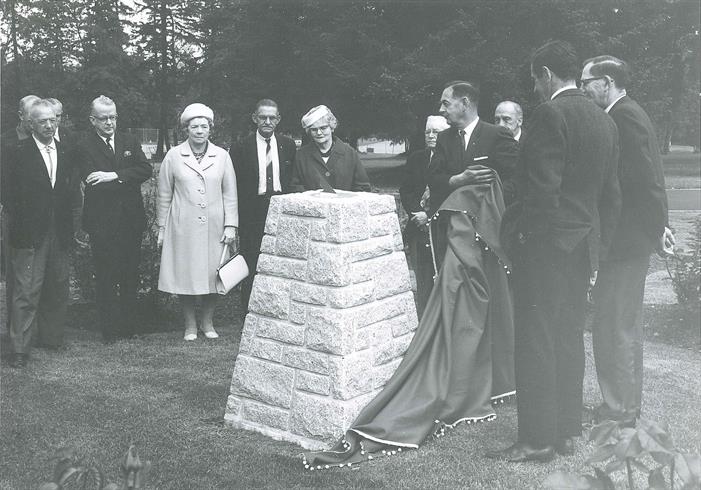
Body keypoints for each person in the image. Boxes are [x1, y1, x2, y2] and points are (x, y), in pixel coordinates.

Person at [489, 40, 621, 463]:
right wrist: (599, 249)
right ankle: (566, 429)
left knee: (535, 338)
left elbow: (542, 192)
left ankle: (537, 439)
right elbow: (611, 197)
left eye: (535, 80)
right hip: (581, 247)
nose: (535, 88)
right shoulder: (604, 120)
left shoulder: (550, 114)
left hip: (546, 247)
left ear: (546, 74)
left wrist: (524, 241)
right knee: (566, 336)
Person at [581, 55, 673, 427]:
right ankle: (623, 408)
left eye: (586, 82)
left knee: (613, 326)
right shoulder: (628, 113)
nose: (583, 89)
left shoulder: (623, 117)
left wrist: (655, 230)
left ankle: (619, 410)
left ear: (605, 81)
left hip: (623, 244)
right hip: (630, 242)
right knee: (623, 326)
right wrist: (658, 228)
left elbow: (646, 181)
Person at [2, 99, 77, 367]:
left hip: (60, 231)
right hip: (29, 233)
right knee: (26, 289)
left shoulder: (65, 151)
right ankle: (19, 349)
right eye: (42, 121)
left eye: (52, 120)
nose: (49, 125)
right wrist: (23, 227)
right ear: (30, 124)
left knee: (57, 284)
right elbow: (8, 195)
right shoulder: (16, 152)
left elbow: (69, 193)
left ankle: (52, 338)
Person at [157, 103, 238, 341]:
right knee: (187, 274)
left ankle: (208, 322)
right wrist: (162, 227)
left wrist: (231, 225)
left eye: (204, 126)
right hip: (183, 226)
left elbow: (230, 194)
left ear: (210, 129)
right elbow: (164, 194)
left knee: (214, 275)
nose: (200, 131)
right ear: (187, 129)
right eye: (195, 127)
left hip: (215, 225)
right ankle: (190, 325)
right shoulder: (174, 155)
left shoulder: (222, 156)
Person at [78, 95, 152, 343]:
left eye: (113, 117)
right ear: (93, 120)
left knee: (130, 274)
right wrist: (125, 179)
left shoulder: (129, 139)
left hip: (130, 220)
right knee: (106, 276)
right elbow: (92, 180)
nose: (109, 122)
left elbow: (145, 170)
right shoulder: (84, 145)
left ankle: (129, 328)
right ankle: (109, 331)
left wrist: (114, 175)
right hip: (102, 222)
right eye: (103, 118)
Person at [230, 99, 296, 313]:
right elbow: (234, 185)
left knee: (280, 261)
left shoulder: (288, 145)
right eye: (262, 117)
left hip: (280, 208)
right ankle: (249, 312)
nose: (267, 121)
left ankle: (278, 311)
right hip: (252, 211)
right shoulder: (241, 147)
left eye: (272, 118)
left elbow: (291, 179)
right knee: (251, 261)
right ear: (255, 118)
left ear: (278, 120)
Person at [428, 81, 518, 221]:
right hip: (453, 226)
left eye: (446, 104)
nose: (440, 110)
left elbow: (516, 179)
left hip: (489, 224)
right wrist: (456, 180)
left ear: (465, 103)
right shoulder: (443, 138)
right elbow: (433, 179)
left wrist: (487, 204)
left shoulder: (496, 135)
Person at [399, 115, 450, 318]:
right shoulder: (417, 158)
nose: (430, 135)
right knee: (423, 282)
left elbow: (449, 194)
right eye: (428, 131)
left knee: (442, 279)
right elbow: (406, 190)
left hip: (441, 228)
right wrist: (417, 215)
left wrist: (428, 215)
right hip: (417, 229)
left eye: (435, 132)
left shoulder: (452, 160)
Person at [289, 105, 371, 192]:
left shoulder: (350, 153)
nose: (319, 133)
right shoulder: (301, 155)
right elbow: (295, 187)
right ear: (309, 132)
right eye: (314, 129)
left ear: (332, 127)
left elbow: (363, 187)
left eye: (323, 128)